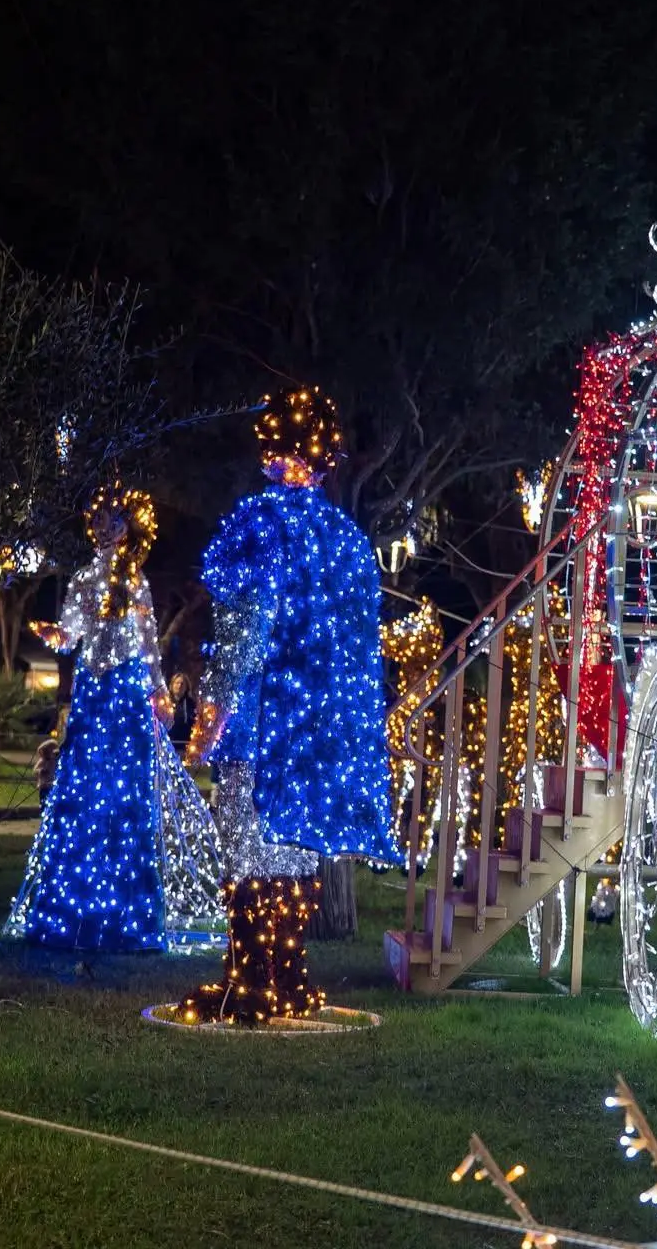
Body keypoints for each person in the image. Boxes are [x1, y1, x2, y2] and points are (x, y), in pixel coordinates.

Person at [178, 389, 401, 1025]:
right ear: (328, 455)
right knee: (294, 852)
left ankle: (248, 979)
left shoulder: (260, 523)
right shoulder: (347, 539)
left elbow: (244, 631)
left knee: (247, 850)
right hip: (319, 731)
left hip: (258, 720)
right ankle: (289, 975)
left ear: (270, 448)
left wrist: (212, 711)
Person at [5, 486, 223, 951]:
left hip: (124, 694)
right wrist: (53, 633)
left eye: (115, 520)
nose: (105, 529)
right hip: (91, 690)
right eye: (100, 520)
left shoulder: (136, 582)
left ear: (129, 527)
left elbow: (146, 644)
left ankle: (127, 915)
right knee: (82, 789)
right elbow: (72, 635)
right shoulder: (84, 578)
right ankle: (69, 908)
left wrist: (159, 694)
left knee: (126, 798)